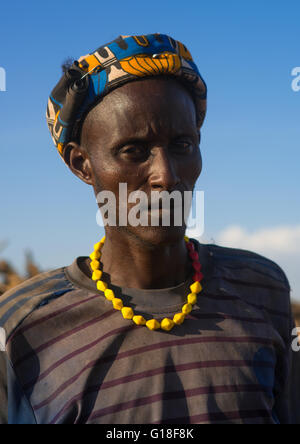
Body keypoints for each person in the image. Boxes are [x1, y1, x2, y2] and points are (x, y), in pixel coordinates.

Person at [0, 34, 295, 424]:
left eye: (183, 145)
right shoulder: (23, 326)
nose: (166, 177)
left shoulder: (262, 288)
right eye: (134, 151)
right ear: (81, 164)